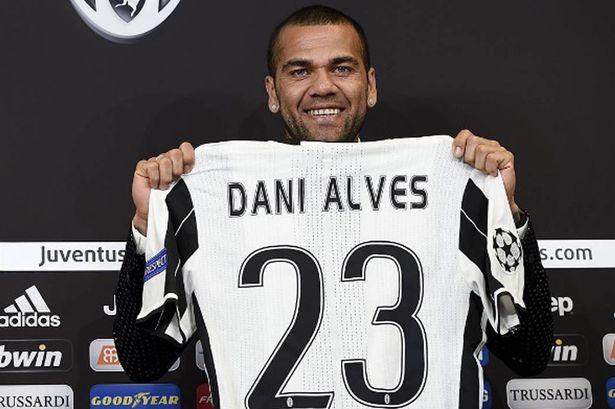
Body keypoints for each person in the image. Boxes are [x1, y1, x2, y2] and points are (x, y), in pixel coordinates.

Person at [114, 3, 552, 403]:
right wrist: (150, 224)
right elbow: (142, 360)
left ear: (370, 84)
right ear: (273, 91)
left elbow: (530, 353)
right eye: (299, 71)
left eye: (342, 68)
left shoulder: (456, 185)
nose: (323, 87)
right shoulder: (204, 195)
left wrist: (505, 211)